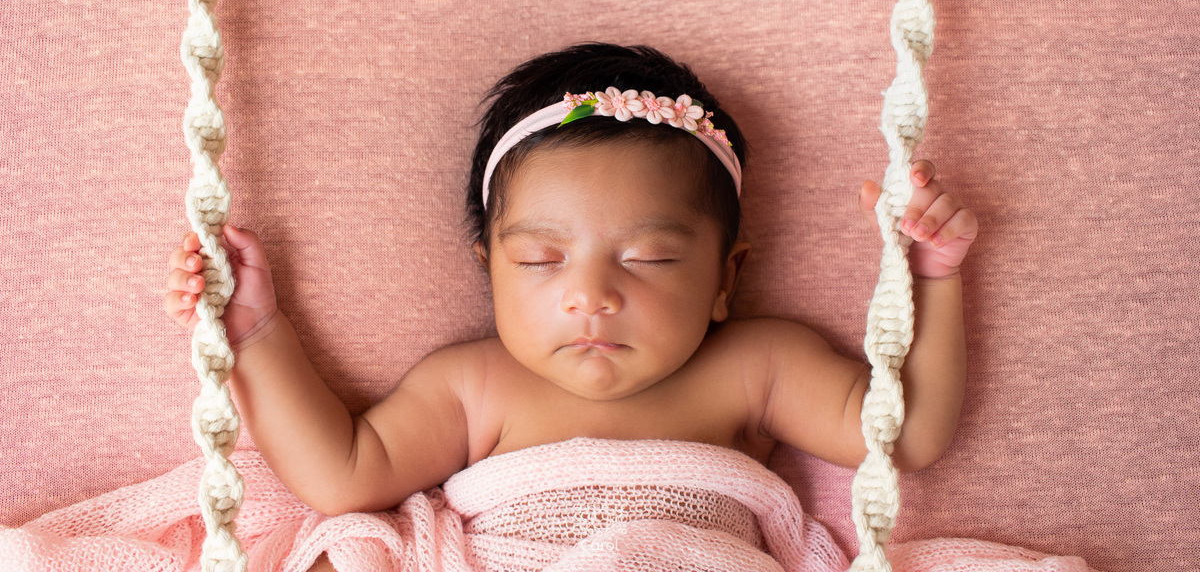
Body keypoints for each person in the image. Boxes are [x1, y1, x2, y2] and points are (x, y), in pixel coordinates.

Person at [164, 42, 976, 554]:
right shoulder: (472, 384)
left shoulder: (758, 365)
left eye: (650, 258)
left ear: (725, 278)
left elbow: (907, 435)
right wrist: (257, 330)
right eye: (543, 259)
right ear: (490, 271)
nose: (592, 296)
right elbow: (342, 474)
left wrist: (931, 276)